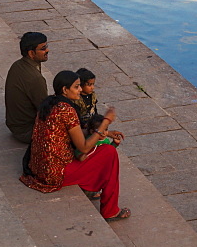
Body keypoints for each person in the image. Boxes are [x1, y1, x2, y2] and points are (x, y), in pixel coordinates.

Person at [20, 70, 130, 223]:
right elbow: (84, 147)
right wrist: (106, 122)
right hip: (54, 174)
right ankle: (110, 210)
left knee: (97, 148)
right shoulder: (67, 110)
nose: (80, 90)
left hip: (37, 168)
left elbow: (75, 132)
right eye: (77, 87)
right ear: (65, 90)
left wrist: (107, 132)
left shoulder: (49, 103)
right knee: (109, 152)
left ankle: (91, 189)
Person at [5, 32, 50, 145]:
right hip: (26, 131)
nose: (47, 51)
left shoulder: (17, 65)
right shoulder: (35, 78)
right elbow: (45, 110)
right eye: (43, 49)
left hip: (14, 126)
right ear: (31, 53)